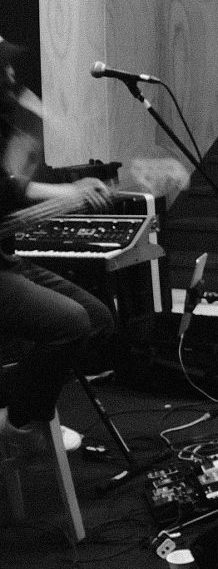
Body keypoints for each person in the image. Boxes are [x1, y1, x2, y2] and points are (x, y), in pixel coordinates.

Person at [0, 38, 115, 452]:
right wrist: (70, 193)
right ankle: (20, 423)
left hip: (6, 261)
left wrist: (78, 186)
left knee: (98, 319)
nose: (12, 74)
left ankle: (17, 398)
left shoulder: (7, 125)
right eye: (4, 68)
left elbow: (19, 187)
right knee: (70, 323)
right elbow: (10, 189)